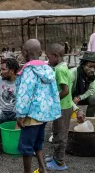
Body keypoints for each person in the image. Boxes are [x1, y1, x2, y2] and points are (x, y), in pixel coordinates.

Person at [15, 39, 61, 173]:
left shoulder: (29, 71)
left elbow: (25, 94)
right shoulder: (49, 70)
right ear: (41, 53)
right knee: (37, 143)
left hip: (31, 115)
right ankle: (42, 168)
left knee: (26, 147)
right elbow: (54, 93)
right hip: (44, 114)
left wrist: (20, 115)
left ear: (24, 54)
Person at [45, 44, 84, 170]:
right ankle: (56, 157)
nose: (47, 59)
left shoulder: (59, 70)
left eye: (48, 57)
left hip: (62, 107)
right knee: (56, 131)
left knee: (61, 135)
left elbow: (65, 90)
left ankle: (60, 162)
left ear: (56, 56)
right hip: (62, 106)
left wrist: (53, 100)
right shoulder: (62, 66)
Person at [0, 58, 19, 159]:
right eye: (0, 69)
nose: (0, 72)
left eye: (3, 69)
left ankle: (25, 144)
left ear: (12, 70)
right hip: (1, 112)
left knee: (25, 114)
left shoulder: (21, 82)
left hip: (15, 114)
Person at [70, 51, 95, 117]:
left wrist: (79, 97)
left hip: (79, 96)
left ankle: (90, 119)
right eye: (90, 66)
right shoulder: (72, 74)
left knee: (93, 98)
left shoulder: (93, 74)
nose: (92, 70)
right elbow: (66, 96)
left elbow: (91, 90)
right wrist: (77, 110)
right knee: (71, 115)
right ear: (83, 65)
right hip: (68, 96)